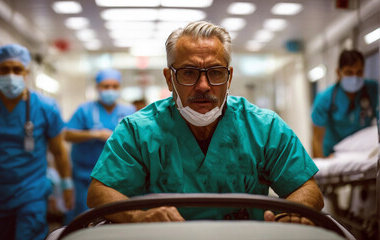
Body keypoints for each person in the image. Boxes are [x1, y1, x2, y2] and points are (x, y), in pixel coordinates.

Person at [86, 21, 324, 224]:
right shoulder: (137, 131)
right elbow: (100, 193)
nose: (203, 86)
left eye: (215, 72)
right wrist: (139, 217)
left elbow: (307, 189)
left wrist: (291, 217)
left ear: (229, 77)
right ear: (170, 79)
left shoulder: (264, 128)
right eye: (189, 72)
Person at [0, 44, 74, 240]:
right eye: (4, 69)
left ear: (26, 72)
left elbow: (59, 151)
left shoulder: (46, 107)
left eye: (17, 69)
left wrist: (66, 186)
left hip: (32, 193)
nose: (11, 74)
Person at [63, 69, 135, 223]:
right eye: (105, 86)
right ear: (97, 88)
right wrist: (94, 134)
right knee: (83, 218)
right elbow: (67, 134)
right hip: (84, 176)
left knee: (114, 217)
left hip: (117, 176)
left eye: (114, 86)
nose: (110, 90)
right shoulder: (85, 110)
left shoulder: (128, 111)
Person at [311, 49, 378, 158]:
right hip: (333, 154)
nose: (354, 78)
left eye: (359, 72)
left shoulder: (373, 90)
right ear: (338, 72)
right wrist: (322, 166)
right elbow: (316, 139)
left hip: (364, 153)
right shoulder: (325, 99)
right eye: (349, 72)